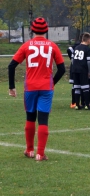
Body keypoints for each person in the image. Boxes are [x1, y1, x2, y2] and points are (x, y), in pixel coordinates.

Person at [8, 17, 65, 161]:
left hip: (31, 87)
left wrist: (12, 87)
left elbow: (11, 66)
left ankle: (29, 150)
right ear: (46, 30)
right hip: (46, 87)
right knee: (43, 120)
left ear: (32, 30)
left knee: (30, 118)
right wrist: (52, 83)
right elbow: (62, 69)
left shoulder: (26, 46)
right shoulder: (52, 46)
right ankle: (40, 153)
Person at [72, 32, 90, 110]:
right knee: (85, 87)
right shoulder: (88, 49)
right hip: (83, 69)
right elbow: (89, 62)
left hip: (75, 69)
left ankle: (77, 105)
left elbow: (73, 60)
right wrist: (89, 71)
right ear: (88, 40)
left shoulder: (76, 47)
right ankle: (87, 105)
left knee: (77, 87)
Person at [67, 33, 84, 108]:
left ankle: (80, 102)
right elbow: (69, 49)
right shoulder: (78, 45)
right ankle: (74, 102)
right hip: (76, 68)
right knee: (75, 85)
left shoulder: (85, 46)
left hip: (81, 68)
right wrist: (72, 59)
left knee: (81, 85)